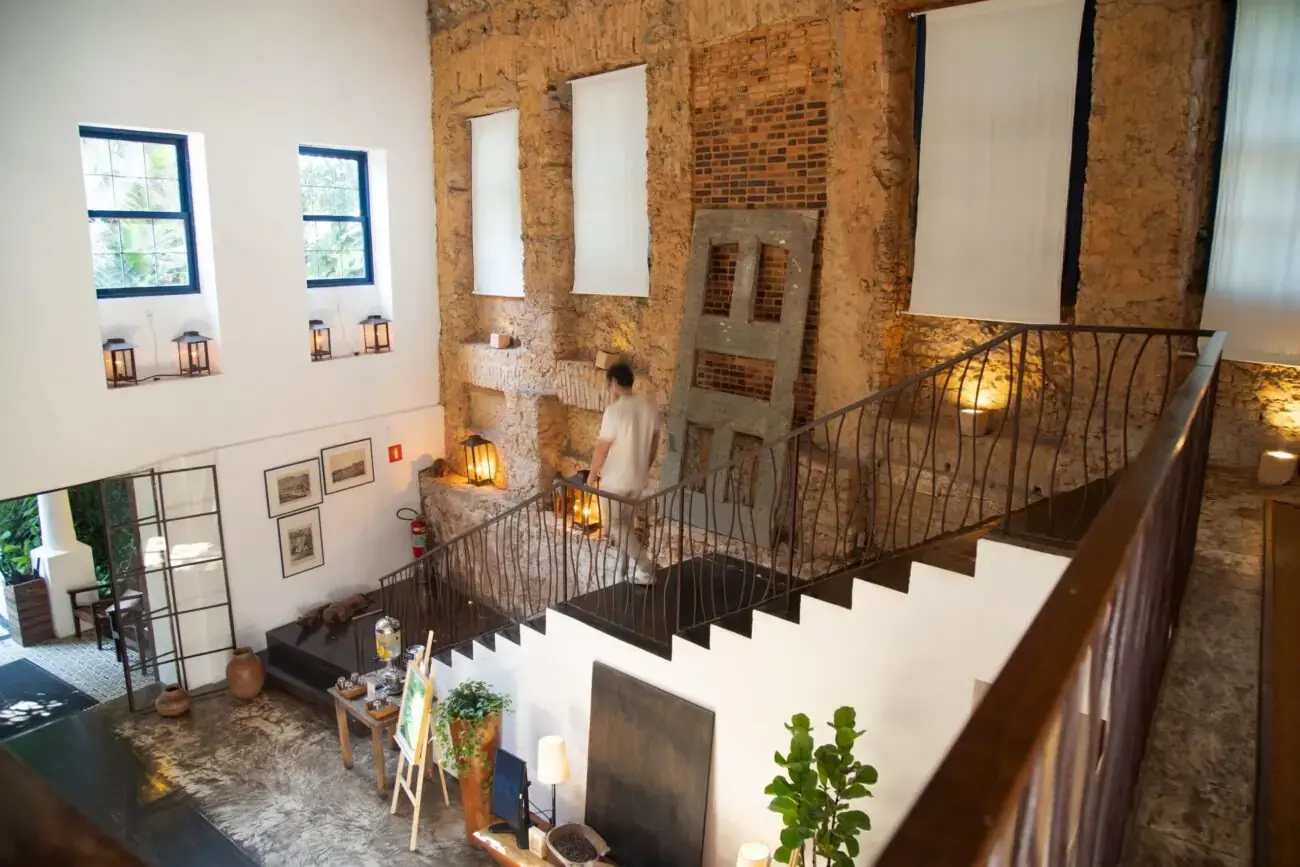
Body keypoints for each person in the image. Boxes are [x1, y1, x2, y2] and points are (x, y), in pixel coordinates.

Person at [589, 362, 659, 585]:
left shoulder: (614, 411)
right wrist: (644, 467)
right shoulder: (649, 409)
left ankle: (646, 567)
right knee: (626, 527)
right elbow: (654, 444)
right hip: (637, 480)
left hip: (616, 481)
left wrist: (592, 475)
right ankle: (623, 573)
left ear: (613, 383)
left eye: (609, 384)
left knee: (616, 527)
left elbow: (603, 447)